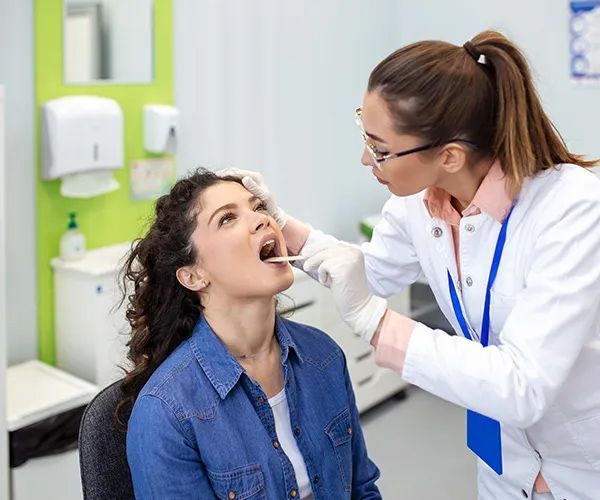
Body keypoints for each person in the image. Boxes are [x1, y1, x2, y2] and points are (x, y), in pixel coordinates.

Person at [220, 30, 600, 499]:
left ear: (449, 155)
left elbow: (522, 386)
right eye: (364, 133)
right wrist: (286, 227)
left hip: (582, 464)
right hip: (504, 460)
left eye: (380, 149)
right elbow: (371, 273)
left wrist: (377, 325)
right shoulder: (419, 203)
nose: (366, 159)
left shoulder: (572, 209)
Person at [119, 169, 381, 499]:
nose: (262, 220)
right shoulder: (166, 412)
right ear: (194, 276)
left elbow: (361, 489)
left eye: (259, 207)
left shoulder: (324, 356)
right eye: (227, 218)